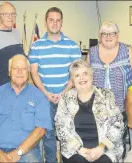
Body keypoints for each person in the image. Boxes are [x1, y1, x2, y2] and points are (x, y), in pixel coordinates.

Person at [29, 7, 81, 163]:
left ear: (62, 22)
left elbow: (76, 73)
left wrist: (64, 93)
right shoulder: (37, 46)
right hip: (45, 98)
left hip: (67, 97)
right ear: (46, 22)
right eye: (51, 20)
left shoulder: (72, 45)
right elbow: (34, 73)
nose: (55, 23)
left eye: (58, 20)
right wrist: (45, 93)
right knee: (49, 135)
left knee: (69, 134)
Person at [55, 59, 125, 163]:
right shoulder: (65, 99)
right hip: (75, 151)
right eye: (77, 75)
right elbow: (61, 128)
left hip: (105, 149)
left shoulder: (106, 95)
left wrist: (101, 148)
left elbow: (118, 125)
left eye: (85, 74)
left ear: (91, 76)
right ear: (72, 81)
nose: (82, 78)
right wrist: (80, 150)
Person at [0, 54, 52, 163]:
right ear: (9, 71)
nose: (19, 71)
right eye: (15, 68)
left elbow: (40, 130)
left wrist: (18, 153)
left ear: (28, 72)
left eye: (23, 68)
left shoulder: (39, 97)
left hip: (27, 152)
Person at [87, 20, 132, 114]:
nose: (108, 37)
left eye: (112, 33)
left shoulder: (128, 50)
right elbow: (86, 77)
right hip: (97, 108)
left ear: (117, 35)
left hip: (123, 108)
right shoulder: (92, 52)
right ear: (100, 35)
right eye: (105, 33)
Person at [0, 1, 24, 88]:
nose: (11, 17)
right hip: (1, 88)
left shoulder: (17, 33)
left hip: (19, 87)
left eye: (13, 14)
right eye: (6, 14)